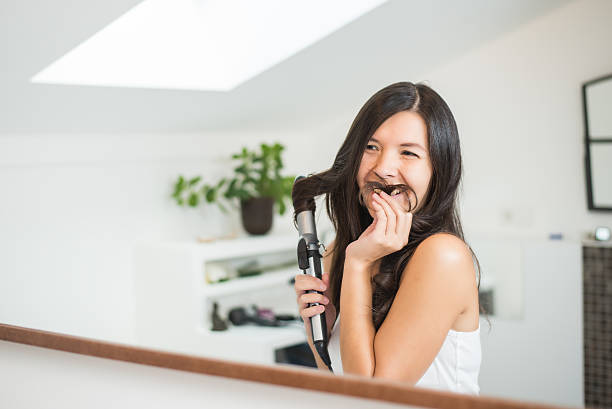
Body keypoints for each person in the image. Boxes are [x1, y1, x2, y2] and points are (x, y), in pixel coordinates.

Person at [292, 81, 484, 395]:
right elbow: (338, 379)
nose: (383, 168)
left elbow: (374, 395)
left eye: (408, 153)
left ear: (439, 169)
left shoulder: (442, 256)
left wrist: (357, 265)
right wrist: (319, 329)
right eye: (371, 147)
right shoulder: (343, 248)